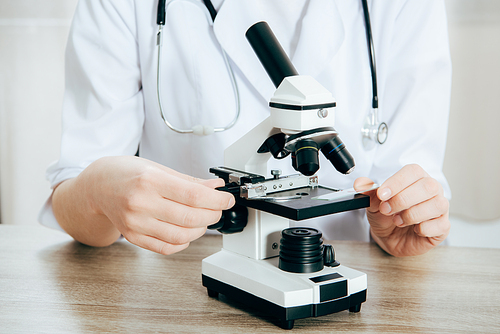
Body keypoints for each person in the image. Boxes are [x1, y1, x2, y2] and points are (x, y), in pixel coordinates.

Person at [39, 0, 451, 257]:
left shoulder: (407, 5)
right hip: (180, 279)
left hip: (356, 265)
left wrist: (402, 221)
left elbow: (413, 192)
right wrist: (97, 193)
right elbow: (73, 194)